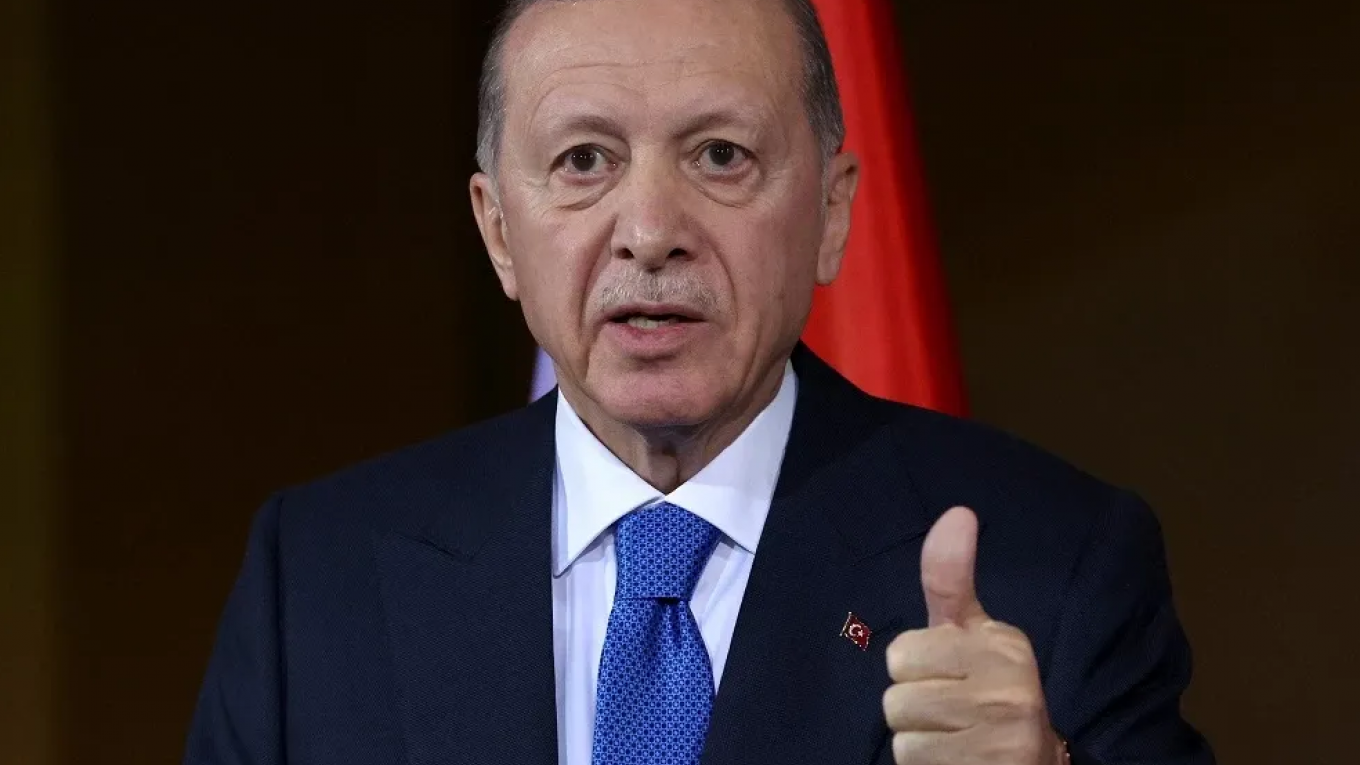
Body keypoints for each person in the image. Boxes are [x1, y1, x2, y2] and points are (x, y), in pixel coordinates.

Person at [184, 1, 1215, 763]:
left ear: (833, 213)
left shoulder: (1056, 565)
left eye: (720, 155)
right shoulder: (316, 577)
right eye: (584, 160)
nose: (649, 231)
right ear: (498, 231)